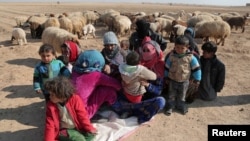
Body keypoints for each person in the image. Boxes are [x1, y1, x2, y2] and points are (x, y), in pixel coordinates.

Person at [111, 37, 166, 124]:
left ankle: (132, 111)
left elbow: (158, 91)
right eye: (144, 50)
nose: (146, 53)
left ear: (156, 51)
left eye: (149, 50)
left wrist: (148, 85)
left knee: (160, 101)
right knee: (112, 95)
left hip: (145, 99)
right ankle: (133, 110)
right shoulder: (136, 65)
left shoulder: (159, 67)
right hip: (130, 96)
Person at [71, 49, 122, 119]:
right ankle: (118, 107)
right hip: (83, 114)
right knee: (108, 90)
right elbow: (116, 84)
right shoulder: (96, 75)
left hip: (70, 111)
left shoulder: (74, 71)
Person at [44, 76, 97, 141]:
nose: (50, 97)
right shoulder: (50, 106)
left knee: (91, 135)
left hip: (77, 127)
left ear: (61, 95)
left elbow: (82, 116)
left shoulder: (75, 99)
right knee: (78, 139)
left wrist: (89, 128)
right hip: (65, 130)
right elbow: (50, 125)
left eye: (52, 95)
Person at [164, 35, 201, 116]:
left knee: (182, 94)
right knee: (171, 94)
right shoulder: (171, 56)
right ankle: (170, 105)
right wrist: (166, 77)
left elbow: (196, 68)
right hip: (172, 80)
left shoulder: (191, 57)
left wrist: (197, 79)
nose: (179, 50)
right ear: (174, 46)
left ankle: (181, 105)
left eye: (182, 48)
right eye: (177, 47)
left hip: (184, 81)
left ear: (187, 47)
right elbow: (167, 67)